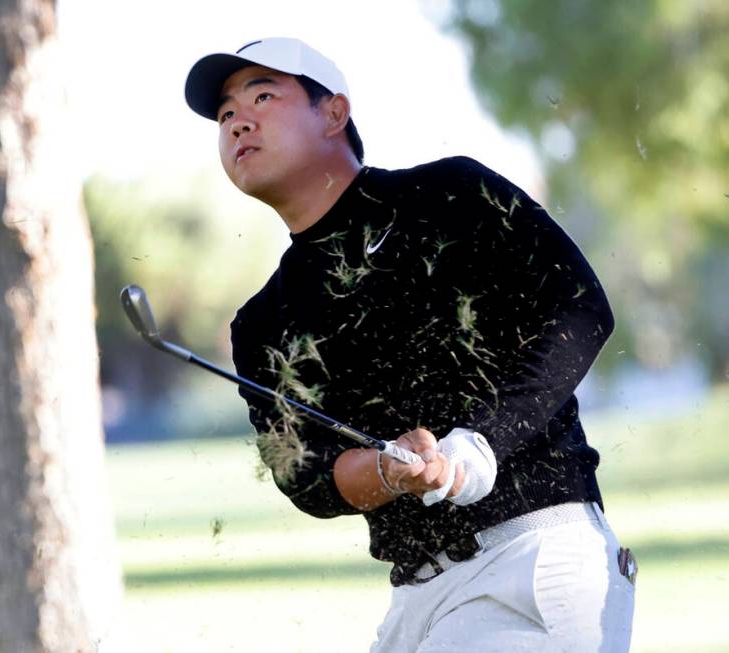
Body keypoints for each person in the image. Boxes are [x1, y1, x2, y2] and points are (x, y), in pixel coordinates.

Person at [184, 37, 636, 652]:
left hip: (531, 558)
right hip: (414, 601)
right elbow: (309, 479)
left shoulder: (449, 196)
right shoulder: (262, 325)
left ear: (334, 112)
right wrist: (389, 470)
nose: (239, 121)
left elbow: (580, 308)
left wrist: (480, 445)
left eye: (263, 95)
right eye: (226, 115)